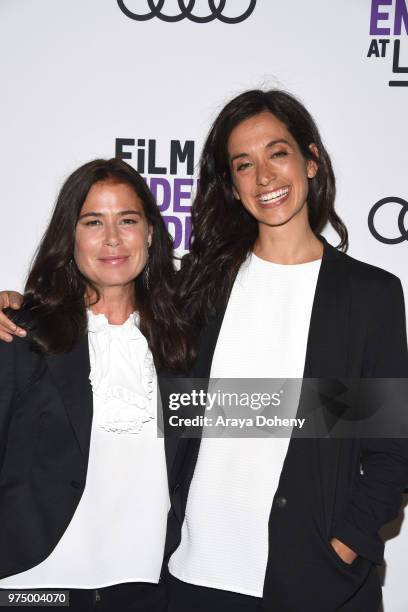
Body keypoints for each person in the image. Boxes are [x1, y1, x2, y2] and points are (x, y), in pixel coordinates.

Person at [163, 90, 408, 612]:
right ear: (230, 186)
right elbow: (107, 321)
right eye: (243, 165)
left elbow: (391, 449)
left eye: (278, 153)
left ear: (311, 161)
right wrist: (24, 308)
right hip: (194, 574)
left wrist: (344, 545)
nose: (264, 178)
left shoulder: (370, 296)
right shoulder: (199, 288)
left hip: (316, 581)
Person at [0, 158, 192, 611]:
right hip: (35, 586)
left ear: (149, 232)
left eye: (127, 220)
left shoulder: (184, 343)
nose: (112, 239)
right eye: (93, 222)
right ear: (70, 236)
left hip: (147, 588)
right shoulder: (21, 335)